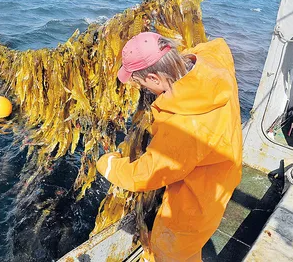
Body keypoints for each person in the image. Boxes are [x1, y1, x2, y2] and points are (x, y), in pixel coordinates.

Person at [96, 32, 242, 262]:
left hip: (197, 199)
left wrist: (109, 164)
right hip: (224, 170)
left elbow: (146, 174)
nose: (141, 87)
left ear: (154, 78)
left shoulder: (185, 126)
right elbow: (217, 44)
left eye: (140, 82)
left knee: (172, 249)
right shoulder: (212, 60)